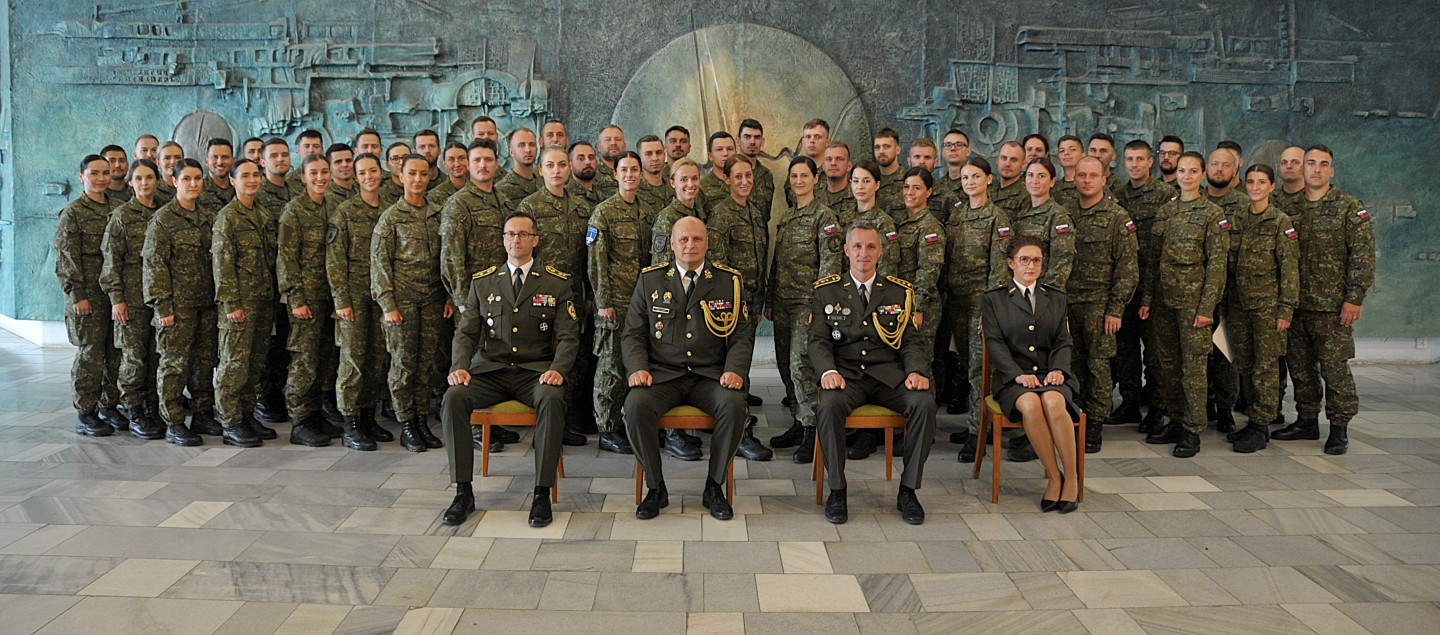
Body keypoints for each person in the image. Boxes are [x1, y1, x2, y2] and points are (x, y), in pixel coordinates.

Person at [440, 211, 580, 528]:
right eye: (510, 234)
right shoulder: (483, 282)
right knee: (453, 398)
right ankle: (463, 492)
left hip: (535, 372)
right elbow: (465, 333)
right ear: (503, 240)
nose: (516, 240)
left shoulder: (556, 283)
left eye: (523, 234)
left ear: (535, 240)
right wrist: (459, 367)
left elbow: (569, 336)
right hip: (492, 371)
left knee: (552, 398)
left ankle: (541, 493)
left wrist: (558, 369)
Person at [622, 216, 755, 521]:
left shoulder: (728, 281)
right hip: (663, 375)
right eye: (683, 239)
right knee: (635, 406)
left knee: (734, 405)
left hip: (710, 375)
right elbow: (632, 334)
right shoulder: (650, 280)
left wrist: (735, 370)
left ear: (707, 243)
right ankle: (655, 488)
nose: (690, 245)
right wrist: (637, 368)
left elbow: (741, 335)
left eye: (697, 239)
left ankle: (714, 487)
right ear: (672, 244)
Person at [811, 221, 937, 525]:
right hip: (847, 377)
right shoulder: (827, 291)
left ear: (880, 251)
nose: (863, 253)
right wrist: (828, 371)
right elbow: (817, 341)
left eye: (870, 246)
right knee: (828, 405)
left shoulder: (898, 291)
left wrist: (916, 371)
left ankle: (909, 490)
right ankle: (837, 490)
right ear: (846, 250)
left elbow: (911, 340)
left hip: (888, 377)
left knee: (923, 403)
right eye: (857, 246)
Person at [1273, 145, 1375, 455]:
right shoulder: (1289, 208)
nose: (1316, 169)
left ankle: (1339, 428)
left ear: (1331, 170)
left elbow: (1362, 257)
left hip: (1331, 307)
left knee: (1334, 369)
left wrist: (1354, 298)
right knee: (1300, 368)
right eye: (1311, 163)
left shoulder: (1348, 207)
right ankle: (1307, 421)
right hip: (1295, 305)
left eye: (1323, 164)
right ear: (1302, 169)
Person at [982, 234, 1083, 513]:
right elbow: (994, 343)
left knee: (1052, 401)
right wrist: (1016, 374)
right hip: (1012, 378)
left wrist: (1059, 370)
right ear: (1011, 263)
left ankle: (1071, 477)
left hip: (1052, 374)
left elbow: (1063, 341)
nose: (1031, 266)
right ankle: (1053, 476)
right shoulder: (994, 299)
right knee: (1029, 403)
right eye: (1024, 260)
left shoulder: (1056, 297)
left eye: (1037, 261)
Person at [1140, 151, 1228, 457]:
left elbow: (1217, 265)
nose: (1186, 176)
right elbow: (1154, 260)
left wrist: (1206, 308)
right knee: (1168, 365)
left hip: (1193, 305)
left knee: (1193, 368)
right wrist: (1148, 299)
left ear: (1202, 175)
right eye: (1181, 171)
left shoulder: (1212, 214)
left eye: (1192, 171)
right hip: (1164, 302)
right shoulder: (1167, 211)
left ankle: (1192, 430)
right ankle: (1176, 420)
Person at [439, 139, 515, 451]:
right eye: (477, 160)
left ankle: (490, 422)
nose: (483, 165)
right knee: (471, 360)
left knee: (495, 358)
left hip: (502, 296)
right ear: (468, 166)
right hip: (471, 299)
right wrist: (461, 299)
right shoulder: (459, 204)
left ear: (497, 163)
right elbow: (451, 257)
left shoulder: (504, 201)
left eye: (488, 159)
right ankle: (473, 426)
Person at [767, 157, 844, 463]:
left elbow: (831, 265)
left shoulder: (824, 217)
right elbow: (778, 261)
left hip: (807, 304)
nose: (798, 181)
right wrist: (770, 299)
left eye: (804, 175)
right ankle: (799, 422)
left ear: (816, 179)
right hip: (782, 302)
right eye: (794, 176)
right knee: (785, 364)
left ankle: (813, 430)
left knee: (801, 365)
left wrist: (819, 305)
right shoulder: (787, 217)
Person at [516, 146, 592, 448]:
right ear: (541, 170)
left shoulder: (581, 207)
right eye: (550, 165)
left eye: (562, 165)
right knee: (543, 357)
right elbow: (521, 252)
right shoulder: (530, 206)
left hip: (573, 296)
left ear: (569, 168)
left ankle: (562, 422)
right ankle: (544, 425)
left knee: (571, 358)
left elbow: (588, 256)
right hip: (541, 296)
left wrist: (590, 293)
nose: (557, 171)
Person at [373, 154, 447, 452]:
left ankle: (420, 419)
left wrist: (448, 296)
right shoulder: (391, 217)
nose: (418, 179)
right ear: (401, 176)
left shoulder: (437, 213)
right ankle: (406, 423)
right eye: (412, 174)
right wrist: (388, 305)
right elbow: (379, 264)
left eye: (423, 174)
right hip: (402, 301)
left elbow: (446, 259)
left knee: (426, 363)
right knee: (403, 363)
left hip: (431, 299)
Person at [143, 159, 220, 446]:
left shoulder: (208, 217)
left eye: (197, 178)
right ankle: (173, 422)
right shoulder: (163, 220)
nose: (193, 183)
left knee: (204, 362)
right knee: (174, 365)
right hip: (177, 307)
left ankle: (202, 414)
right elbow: (154, 266)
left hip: (205, 303)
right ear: (174, 181)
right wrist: (162, 306)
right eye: (186, 178)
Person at [1065, 157, 1139, 453]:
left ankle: (1095, 423)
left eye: (1093, 176)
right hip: (1067, 303)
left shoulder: (1117, 217)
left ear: (1103, 179)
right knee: (1072, 364)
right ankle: (1076, 416)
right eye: (1082, 175)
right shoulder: (1066, 213)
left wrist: (1116, 309)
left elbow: (1128, 269)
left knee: (1098, 366)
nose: (1086, 180)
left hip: (1099, 305)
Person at [1223, 164, 1299, 453]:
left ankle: (1262, 424)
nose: (1255, 187)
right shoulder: (1237, 220)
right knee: (1245, 365)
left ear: (1272, 187)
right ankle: (1253, 420)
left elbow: (1289, 270)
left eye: (1261, 182)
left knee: (1266, 366)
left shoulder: (1280, 222)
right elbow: (1227, 268)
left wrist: (1285, 310)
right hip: (1239, 306)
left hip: (1267, 308)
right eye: (1251, 182)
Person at [704, 153, 774, 461]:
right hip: (731, 305)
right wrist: (732, 308)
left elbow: (760, 260)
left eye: (749, 176)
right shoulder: (721, 214)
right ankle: (739, 433)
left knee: (742, 365)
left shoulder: (755, 213)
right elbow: (718, 266)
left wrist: (759, 302)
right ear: (727, 179)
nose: (745, 181)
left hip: (752, 302)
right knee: (733, 366)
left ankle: (737, 418)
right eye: (738, 176)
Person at [942, 157, 1012, 461]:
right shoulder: (957, 215)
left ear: (989, 179)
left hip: (981, 303)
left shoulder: (997, 217)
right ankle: (977, 422)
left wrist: (990, 309)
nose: (970, 182)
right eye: (965, 177)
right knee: (966, 364)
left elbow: (1000, 269)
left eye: (976, 177)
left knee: (979, 369)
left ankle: (978, 433)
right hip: (957, 301)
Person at [328, 153, 395, 450]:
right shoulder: (345, 212)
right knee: (353, 360)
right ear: (356, 178)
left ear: (381, 173)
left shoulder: (390, 209)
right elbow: (335, 259)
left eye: (373, 170)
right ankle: (350, 423)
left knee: (377, 358)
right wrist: (341, 299)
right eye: (363, 172)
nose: (369, 176)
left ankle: (368, 417)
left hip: (381, 295)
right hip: (353, 295)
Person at [210, 158, 278, 447]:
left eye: (255, 175)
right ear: (233, 181)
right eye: (245, 176)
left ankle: (247, 415)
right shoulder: (228, 218)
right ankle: (230, 422)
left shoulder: (261, 214)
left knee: (254, 362)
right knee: (234, 364)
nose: (252, 180)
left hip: (262, 300)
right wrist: (231, 304)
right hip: (239, 303)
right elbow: (222, 266)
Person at [1111, 140, 1177, 431]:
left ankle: (1157, 407)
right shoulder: (1117, 195)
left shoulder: (1165, 195)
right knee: (1125, 349)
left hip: (1154, 284)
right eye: (1129, 159)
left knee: (1155, 351)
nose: (1134, 164)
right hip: (1124, 284)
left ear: (1151, 162)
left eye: (1140, 159)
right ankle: (1130, 402)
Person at [56, 154, 123, 436]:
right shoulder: (73, 213)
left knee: (115, 353)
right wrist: (77, 295)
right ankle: (85, 412)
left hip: (114, 295)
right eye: (94, 173)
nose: (101, 178)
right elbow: (67, 259)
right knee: (91, 355)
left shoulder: (118, 208)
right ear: (81, 176)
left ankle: (109, 405)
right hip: (88, 296)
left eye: (105, 173)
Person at [278, 154, 340, 446]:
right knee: (304, 359)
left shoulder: (332, 207)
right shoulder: (293, 212)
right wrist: (295, 298)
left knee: (323, 359)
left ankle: (314, 413)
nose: (320, 177)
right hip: (306, 298)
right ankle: (299, 420)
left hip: (328, 297)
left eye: (324, 172)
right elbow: (285, 259)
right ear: (302, 177)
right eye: (313, 173)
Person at [588, 151, 647, 455]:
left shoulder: (645, 212)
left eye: (634, 169)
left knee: (633, 362)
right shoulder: (604, 213)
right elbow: (596, 261)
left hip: (640, 301)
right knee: (610, 365)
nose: (629, 175)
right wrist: (603, 302)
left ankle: (626, 420)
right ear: (615, 174)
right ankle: (607, 428)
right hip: (613, 302)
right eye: (624, 170)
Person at [100, 159, 165, 439]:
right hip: (132, 298)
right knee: (134, 357)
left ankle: (152, 406)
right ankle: (133, 408)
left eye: (149, 177)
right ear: (130, 183)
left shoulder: (165, 212)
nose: (144, 183)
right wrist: (117, 299)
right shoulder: (122, 216)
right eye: (138, 178)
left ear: (157, 180)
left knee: (156, 355)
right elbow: (111, 261)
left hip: (159, 297)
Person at [838, 161, 900, 275]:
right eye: (855, 181)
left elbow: (887, 266)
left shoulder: (884, 222)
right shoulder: (843, 218)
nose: (860, 186)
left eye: (866, 181)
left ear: (877, 185)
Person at [650, 158, 705, 265]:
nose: (690, 184)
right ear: (673, 182)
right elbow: (661, 265)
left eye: (694, 178)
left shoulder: (699, 212)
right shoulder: (666, 219)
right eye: (683, 179)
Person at [737, 118, 776, 224]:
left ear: (762, 142)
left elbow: (766, 215)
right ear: (738, 141)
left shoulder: (766, 175)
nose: (752, 142)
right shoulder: (729, 173)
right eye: (747, 137)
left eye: (757, 137)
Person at [496, 128, 540, 207]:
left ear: (537, 150)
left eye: (532, 145)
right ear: (511, 152)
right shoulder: (501, 190)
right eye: (521, 145)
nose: (528, 150)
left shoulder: (544, 183)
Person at [989, 141, 1027, 216]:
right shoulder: (988, 192)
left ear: (1023, 164)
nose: (1007, 164)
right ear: (997, 160)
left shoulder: (1028, 194)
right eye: (1003, 158)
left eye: (1013, 160)